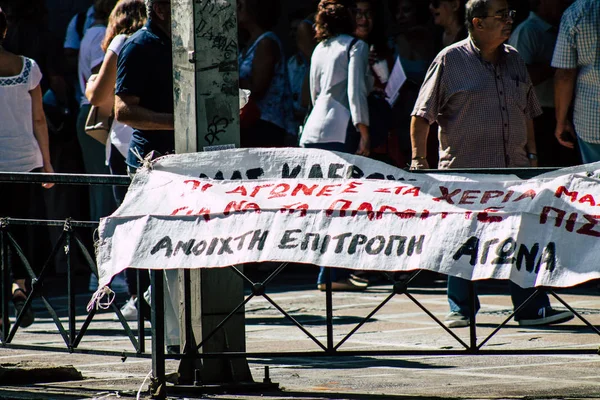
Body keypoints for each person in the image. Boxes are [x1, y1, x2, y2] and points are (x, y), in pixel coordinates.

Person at [410, 0, 574, 328]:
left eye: (509, 14)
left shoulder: (514, 59)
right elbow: (421, 114)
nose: (508, 20)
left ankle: (531, 309)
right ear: (477, 22)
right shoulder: (450, 60)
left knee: (525, 236)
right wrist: (419, 160)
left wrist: (531, 157)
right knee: (463, 239)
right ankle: (461, 309)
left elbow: (526, 112)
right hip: (466, 171)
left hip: (514, 169)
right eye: (500, 15)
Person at [114, 0, 178, 352]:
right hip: (151, 159)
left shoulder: (185, 43)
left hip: (185, 157)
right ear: (160, 9)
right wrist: (177, 121)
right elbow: (122, 110)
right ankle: (146, 311)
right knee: (155, 244)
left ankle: (172, 330)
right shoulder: (138, 45)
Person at [300, 0, 371, 291]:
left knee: (323, 204)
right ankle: (334, 275)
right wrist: (364, 130)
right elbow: (355, 91)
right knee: (343, 202)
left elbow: (314, 92)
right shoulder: (355, 46)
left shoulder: (320, 48)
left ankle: (327, 272)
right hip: (340, 128)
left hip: (313, 129)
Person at [85, 0, 147, 321]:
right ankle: (150, 292)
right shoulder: (155, 42)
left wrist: (91, 83)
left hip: (126, 144)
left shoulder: (122, 43)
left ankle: (139, 295)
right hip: (147, 141)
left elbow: (99, 98)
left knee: (129, 221)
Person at [0, 6, 55, 329]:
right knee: (20, 229)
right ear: (4, 31)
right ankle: (20, 286)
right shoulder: (27, 68)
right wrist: (47, 163)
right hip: (25, 161)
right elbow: (39, 118)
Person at [509, 0, 579, 167]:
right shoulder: (527, 31)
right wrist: (561, 64)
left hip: (565, 114)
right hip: (540, 118)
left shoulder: (561, 28)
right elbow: (518, 79)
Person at [76, 0, 118, 225]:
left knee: (100, 187)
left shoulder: (90, 32)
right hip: (97, 113)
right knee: (104, 188)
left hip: (91, 110)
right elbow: (99, 78)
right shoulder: (100, 33)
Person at [237, 0, 296, 147]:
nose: (236, 9)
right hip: (250, 122)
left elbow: (258, 87)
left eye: (241, 5)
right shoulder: (249, 43)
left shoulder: (266, 43)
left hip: (265, 124)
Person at [551, 0, 600, 164]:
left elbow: (565, 73)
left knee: (595, 185)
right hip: (590, 123)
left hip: (592, 121)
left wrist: (560, 121)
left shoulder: (577, 12)